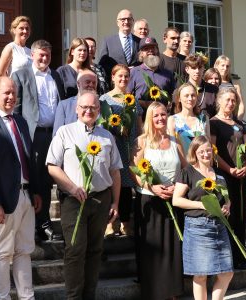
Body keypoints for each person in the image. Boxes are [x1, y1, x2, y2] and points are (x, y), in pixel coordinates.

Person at [46, 91, 122, 299]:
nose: (89, 111)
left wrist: (115, 201)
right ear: (76, 109)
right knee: (75, 250)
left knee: (95, 250)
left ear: (99, 110)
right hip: (73, 200)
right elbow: (52, 166)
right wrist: (71, 188)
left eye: (93, 108)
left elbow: (115, 171)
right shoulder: (64, 132)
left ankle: (89, 295)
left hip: (101, 199)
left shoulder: (106, 136)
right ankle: (73, 297)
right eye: (84, 107)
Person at [0, 77, 42, 299]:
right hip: (3, 202)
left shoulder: (20, 122)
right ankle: (2, 297)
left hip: (26, 196)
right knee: (3, 253)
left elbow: (28, 160)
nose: (11, 97)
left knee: (24, 251)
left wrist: (36, 191)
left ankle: (26, 296)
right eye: (6, 93)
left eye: (14, 93)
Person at [12, 39, 65, 241]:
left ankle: (44, 225)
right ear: (32, 55)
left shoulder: (56, 77)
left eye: (48, 55)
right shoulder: (21, 75)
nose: (44, 58)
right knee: (34, 180)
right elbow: (16, 109)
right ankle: (36, 226)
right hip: (34, 136)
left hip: (54, 135)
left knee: (48, 180)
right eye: (41, 55)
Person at [132, 101, 186, 300]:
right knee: (152, 250)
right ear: (149, 119)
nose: (161, 118)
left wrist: (177, 187)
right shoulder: (141, 141)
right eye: (156, 115)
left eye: (163, 114)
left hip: (172, 199)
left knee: (172, 248)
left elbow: (185, 168)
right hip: (150, 200)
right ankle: (154, 293)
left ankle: (173, 292)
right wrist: (152, 187)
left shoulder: (175, 141)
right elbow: (136, 172)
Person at [173, 135, 234, 300]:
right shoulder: (188, 172)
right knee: (200, 275)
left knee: (227, 272)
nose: (206, 154)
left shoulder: (219, 175)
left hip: (219, 226)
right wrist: (203, 206)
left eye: (208, 150)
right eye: (201, 151)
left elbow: (227, 199)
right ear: (194, 152)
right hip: (198, 227)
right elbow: (176, 200)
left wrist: (227, 207)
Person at [210, 88, 246, 270]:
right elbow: (212, 151)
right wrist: (230, 169)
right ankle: (229, 257)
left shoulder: (239, 124)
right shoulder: (213, 123)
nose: (231, 103)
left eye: (234, 101)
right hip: (224, 175)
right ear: (219, 101)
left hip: (241, 175)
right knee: (230, 214)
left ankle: (241, 255)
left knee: (241, 215)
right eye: (227, 100)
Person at [100, 64, 143, 236]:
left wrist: (139, 145)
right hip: (113, 146)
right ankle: (109, 223)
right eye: (120, 76)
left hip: (128, 147)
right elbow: (102, 124)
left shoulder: (132, 99)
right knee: (111, 183)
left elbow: (139, 126)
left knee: (126, 185)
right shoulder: (104, 99)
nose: (123, 79)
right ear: (112, 77)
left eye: (126, 76)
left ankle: (125, 222)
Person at [127, 37, 174, 117]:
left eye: (153, 48)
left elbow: (173, 96)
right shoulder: (134, 72)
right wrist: (144, 103)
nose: (150, 51)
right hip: (140, 120)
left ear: (157, 50)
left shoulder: (167, 74)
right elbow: (127, 97)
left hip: (162, 120)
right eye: (146, 49)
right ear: (141, 53)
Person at [168, 83, 210, 156]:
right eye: (186, 96)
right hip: (181, 165)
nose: (190, 98)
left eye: (193, 95)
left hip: (201, 164)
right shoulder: (172, 120)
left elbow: (209, 145)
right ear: (179, 99)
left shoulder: (204, 119)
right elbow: (172, 147)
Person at [99, 9, 140, 82]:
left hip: (135, 83)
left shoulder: (139, 41)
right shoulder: (108, 41)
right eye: (123, 19)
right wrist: (119, 70)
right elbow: (103, 65)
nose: (126, 22)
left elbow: (142, 63)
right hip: (115, 85)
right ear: (117, 22)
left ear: (133, 21)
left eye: (129, 19)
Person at [53, 69, 97, 136]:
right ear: (78, 84)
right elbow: (57, 135)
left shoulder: (102, 105)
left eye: (94, 83)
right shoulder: (64, 106)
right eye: (88, 82)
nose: (91, 85)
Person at [184, 54, 218, 118]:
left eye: (200, 67)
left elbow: (219, 114)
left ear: (204, 68)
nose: (197, 71)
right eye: (193, 68)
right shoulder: (181, 91)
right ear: (187, 69)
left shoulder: (214, 90)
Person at [214, 55, 245, 120]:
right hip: (215, 119)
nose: (225, 68)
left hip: (231, 119)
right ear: (216, 66)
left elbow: (241, 104)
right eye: (222, 65)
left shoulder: (234, 84)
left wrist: (238, 120)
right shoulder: (211, 81)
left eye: (227, 66)